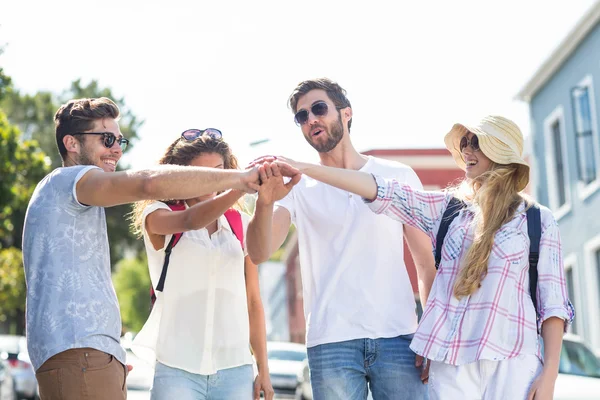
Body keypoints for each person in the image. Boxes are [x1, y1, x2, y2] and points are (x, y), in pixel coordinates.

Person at [266, 115, 575, 400]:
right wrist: (305, 169)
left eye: (475, 142)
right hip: (451, 365)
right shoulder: (449, 211)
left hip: (514, 362)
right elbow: (381, 190)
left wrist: (549, 375)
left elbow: (553, 307)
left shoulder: (537, 220)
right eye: (464, 142)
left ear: (501, 152)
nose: (466, 149)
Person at [21, 98, 294, 400]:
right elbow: (152, 187)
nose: (117, 148)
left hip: (98, 355)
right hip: (95, 355)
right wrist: (241, 181)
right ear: (71, 143)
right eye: (107, 138)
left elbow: (255, 292)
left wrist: (109, 355)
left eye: (119, 140)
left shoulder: (83, 198)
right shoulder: (72, 183)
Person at [247, 78, 435, 400]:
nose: (311, 119)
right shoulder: (296, 188)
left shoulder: (397, 176)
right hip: (331, 342)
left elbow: (424, 261)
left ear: (346, 113)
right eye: (302, 116)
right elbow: (260, 252)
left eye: (318, 109)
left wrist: (432, 332)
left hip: (400, 336)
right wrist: (265, 202)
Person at [129, 129, 278, 400]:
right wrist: (239, 187)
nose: (213, 183)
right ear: (180, 176)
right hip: (177, 369)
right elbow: (190, 221)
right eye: (203, 175)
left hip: (235, 369)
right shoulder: (159, 217)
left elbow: (253, 302)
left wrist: (263, 371)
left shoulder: (239, 225)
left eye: (219, 172)